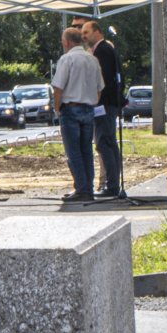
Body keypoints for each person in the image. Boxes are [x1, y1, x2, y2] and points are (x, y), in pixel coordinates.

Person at [51, 27, 102, 202]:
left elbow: (58, 87)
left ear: (67, 42)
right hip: (88, 108)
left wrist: (57, 108)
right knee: (86, 150)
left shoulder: (67, 59)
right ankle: (88, 187)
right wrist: (91, 102)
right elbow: (99, 88)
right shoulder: (92, 59)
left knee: (74, 152)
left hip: (70, 108)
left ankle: (81, 188)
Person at [77, 18, 125, 199]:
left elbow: (101, 80)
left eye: (86, 33)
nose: (83, 36)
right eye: (81, 34)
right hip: (106, 104)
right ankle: (111, 183)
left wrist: (95, 100)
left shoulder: (104, 51)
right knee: (107, 143)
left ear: (97, 32)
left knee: (105, 142)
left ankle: (112, 185)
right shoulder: (103, 49)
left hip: (104, 104)